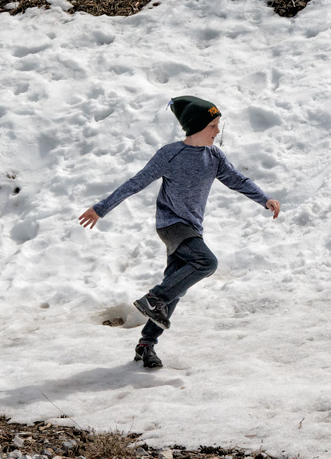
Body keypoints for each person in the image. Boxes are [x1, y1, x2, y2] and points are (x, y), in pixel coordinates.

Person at [78, 96, 280, 368]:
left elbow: (237, 180)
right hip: (171, 225)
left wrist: (264, 199)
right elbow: (136, 182)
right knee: (206, 262)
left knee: (175, 286)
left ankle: (146, 344)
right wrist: (101, 208)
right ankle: (153, 298)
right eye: (213, 126)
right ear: (198, 127)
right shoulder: (170, 154)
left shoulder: (214, 156)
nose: (217, 132)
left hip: (192, 228)